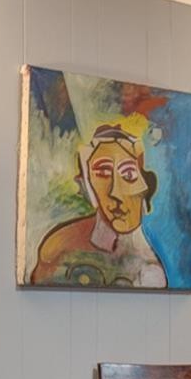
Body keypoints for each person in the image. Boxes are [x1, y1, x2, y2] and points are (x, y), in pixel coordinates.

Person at [28, 122, 167, 287]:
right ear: (87, 186)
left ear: (146, 184)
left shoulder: (151, 270)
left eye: (128, 174)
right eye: (103, 173)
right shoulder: (58, 251)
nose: (116, 192)